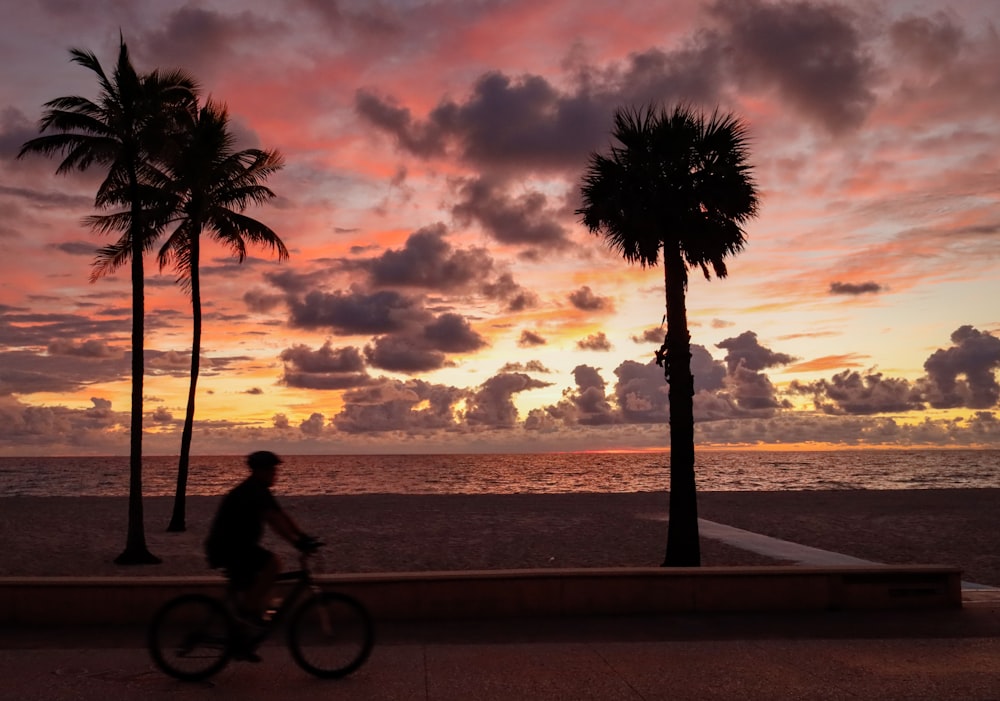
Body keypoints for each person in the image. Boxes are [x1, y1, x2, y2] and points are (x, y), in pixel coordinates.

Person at [205, 450, 318, 626]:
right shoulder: (253, 491)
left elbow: (281, 516)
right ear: (260, 471)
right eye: (272, 470)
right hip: (230, 547)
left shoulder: (258, 489)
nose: (275, 474)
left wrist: (302, 536)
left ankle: (249, 616)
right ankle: (247, 613)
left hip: (237, 546)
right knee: (273, 564)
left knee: (259, 581)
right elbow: (275, 523)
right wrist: (297, 542)